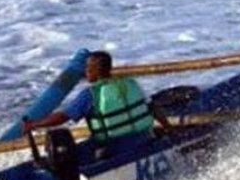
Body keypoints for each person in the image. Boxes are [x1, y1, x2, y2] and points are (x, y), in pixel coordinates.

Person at [22, 51, 169, 155]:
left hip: (113, 146)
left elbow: (63, 117)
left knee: (72, 154)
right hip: (143, 137)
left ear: (97, 70)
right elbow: (153, 107)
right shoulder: (131, 83)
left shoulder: (90, 94)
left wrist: (34, 125)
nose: (85, 72)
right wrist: (168, 129)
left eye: (88, 68)